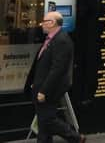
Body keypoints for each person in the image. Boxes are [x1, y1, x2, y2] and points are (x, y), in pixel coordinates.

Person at [25, 11, 85, 143]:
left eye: (44, 22)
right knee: (43, 121)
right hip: (42, 86)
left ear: (52, 23)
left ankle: (76, 138)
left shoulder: (62, 40)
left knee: (47, 119)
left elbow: (57, 69)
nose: (41, 25)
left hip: (50, 89)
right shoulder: (51, 39)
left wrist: (44, 90)